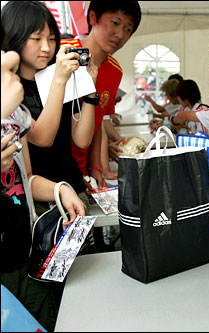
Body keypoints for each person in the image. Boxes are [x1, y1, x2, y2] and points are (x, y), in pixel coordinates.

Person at [1, 48, 86, 332]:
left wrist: (61, 190)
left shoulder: (16, 117)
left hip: (23, 257)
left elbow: (25, 179)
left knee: (47, 320)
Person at [2, 1, 97, 209]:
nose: (46, 47)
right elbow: (42, 138)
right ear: (13, 36)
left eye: (52, 39)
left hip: (71, 187)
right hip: (37, 198)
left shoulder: (56, 76)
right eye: (36, 39)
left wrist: (90, 90)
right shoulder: (10, 89)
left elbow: (82, 139)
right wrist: (60, 80)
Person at [61, 0, 141, 189]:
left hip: (81, 173)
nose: (120, 34)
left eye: (128, 29)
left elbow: (98, 122)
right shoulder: (62, 52)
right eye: (115, 23)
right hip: (50, 171)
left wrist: (95, 167)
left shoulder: (114, 72)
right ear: (93, 17)